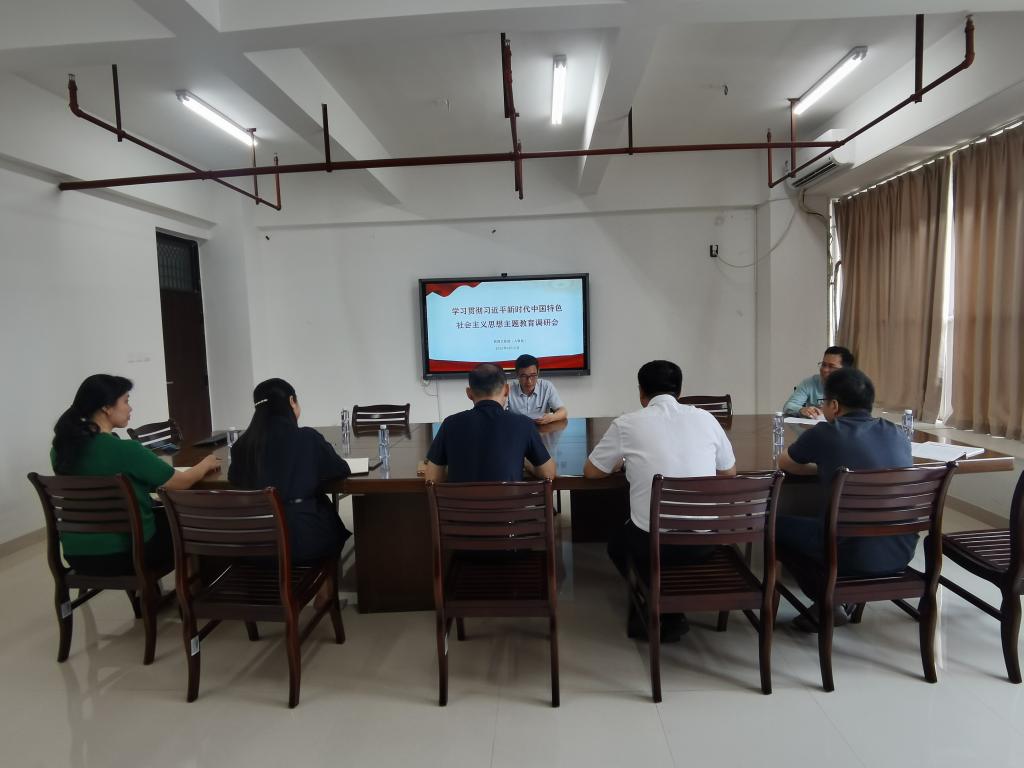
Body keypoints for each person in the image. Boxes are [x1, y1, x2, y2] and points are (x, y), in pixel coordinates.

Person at [583, 360, 737, 640]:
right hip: (704, 543)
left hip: (652, 545)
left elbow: (592, 472)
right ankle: (670, 606)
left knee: (618, 544)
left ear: (641, 393)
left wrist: (623, 462)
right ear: (680, 391)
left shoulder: (627, 423)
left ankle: (658, 601)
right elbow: (729, 471)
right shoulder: (706, 419)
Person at [777, 367, 914, 631]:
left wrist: (829, 468)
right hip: (901, 550)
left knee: (773, 526)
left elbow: (785, 463)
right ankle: (836, 598)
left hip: (848, 554)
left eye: (824, 402)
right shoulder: (897, 433)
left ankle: (829, 599)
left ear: (834, 406)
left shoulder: (825, 432)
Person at [50, 374, 221, 576]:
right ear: (106, 407)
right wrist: (206, 463)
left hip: (78, 556)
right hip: (129, 553)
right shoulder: (126, 450)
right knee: (190, 525)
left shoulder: (60, 450)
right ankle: (194, 587)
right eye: (126, 401)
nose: (130, 408)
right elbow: (181, 482)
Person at [229, 378, 352, 565]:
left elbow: (234, 478)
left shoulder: (241, 446)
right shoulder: (307, 438)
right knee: (325, 514)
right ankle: (328, 584)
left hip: (255, 544)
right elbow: (340, 469)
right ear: (292, 401)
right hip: (301, 543)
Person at [425, 363, 556, 483]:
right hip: (510, 502)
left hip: (462, 502)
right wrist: (525, 463)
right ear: (507, 390)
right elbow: (549, 473)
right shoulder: (524, 424)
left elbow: (432, 477)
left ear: (469, 393)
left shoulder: (450, 424)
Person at [782, 345, 855, 418]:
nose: (825, 370)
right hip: (814, 424)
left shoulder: (853, 387)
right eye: (823, 365)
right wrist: (801, 410)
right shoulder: (810, 383)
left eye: (831, 366)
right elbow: (789, 406)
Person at [506, 354, 568, 425]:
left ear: (538, 372)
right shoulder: (509, 388)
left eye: (533, 375)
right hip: (517, 428)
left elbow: (563, 411)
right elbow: (499, 413)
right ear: (517, 375)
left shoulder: (546, 386)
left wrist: (551, 418)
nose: (529, 381)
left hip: (542, 428)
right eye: (524, 376)